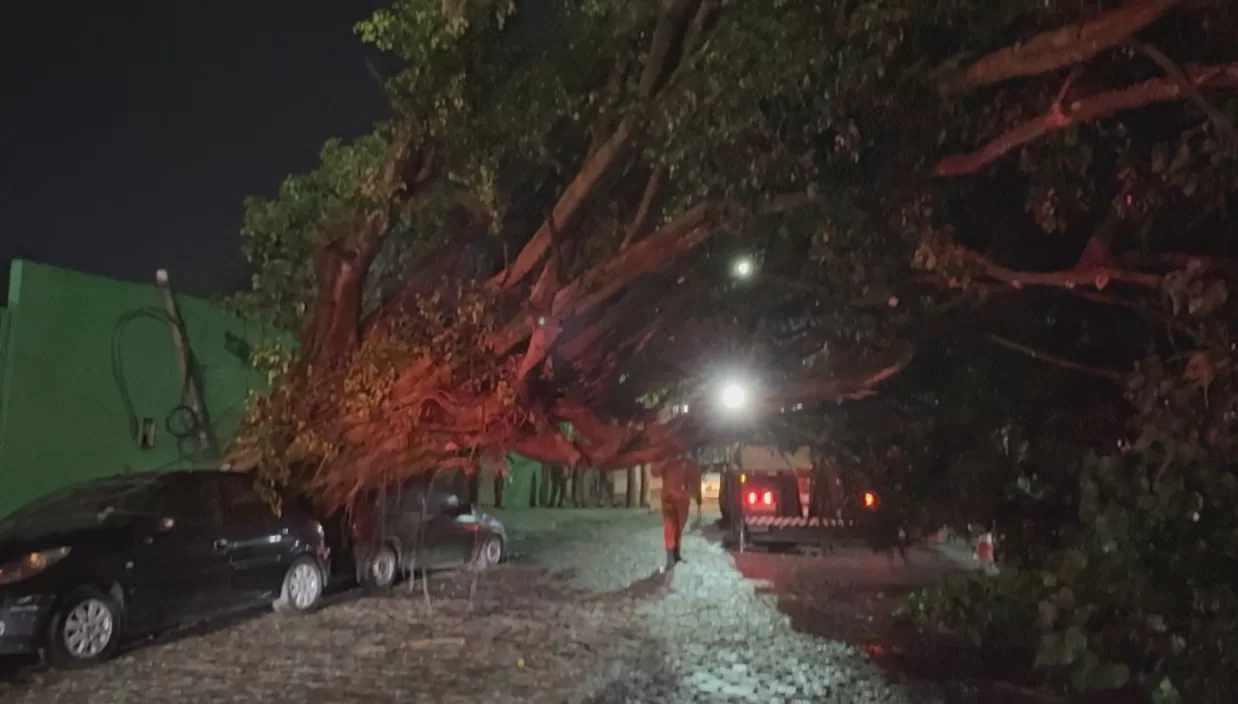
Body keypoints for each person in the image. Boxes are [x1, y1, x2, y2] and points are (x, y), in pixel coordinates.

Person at [656, 456, 701, 570]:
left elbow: (696, 478)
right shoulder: (667, 459)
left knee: (679, 527)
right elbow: (654, 471)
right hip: (668, 499)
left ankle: (676, 555)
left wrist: (696, 493)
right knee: (670, 526)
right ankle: (670, 557)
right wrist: (663, 462)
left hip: (682, 501)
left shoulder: (689, 463)